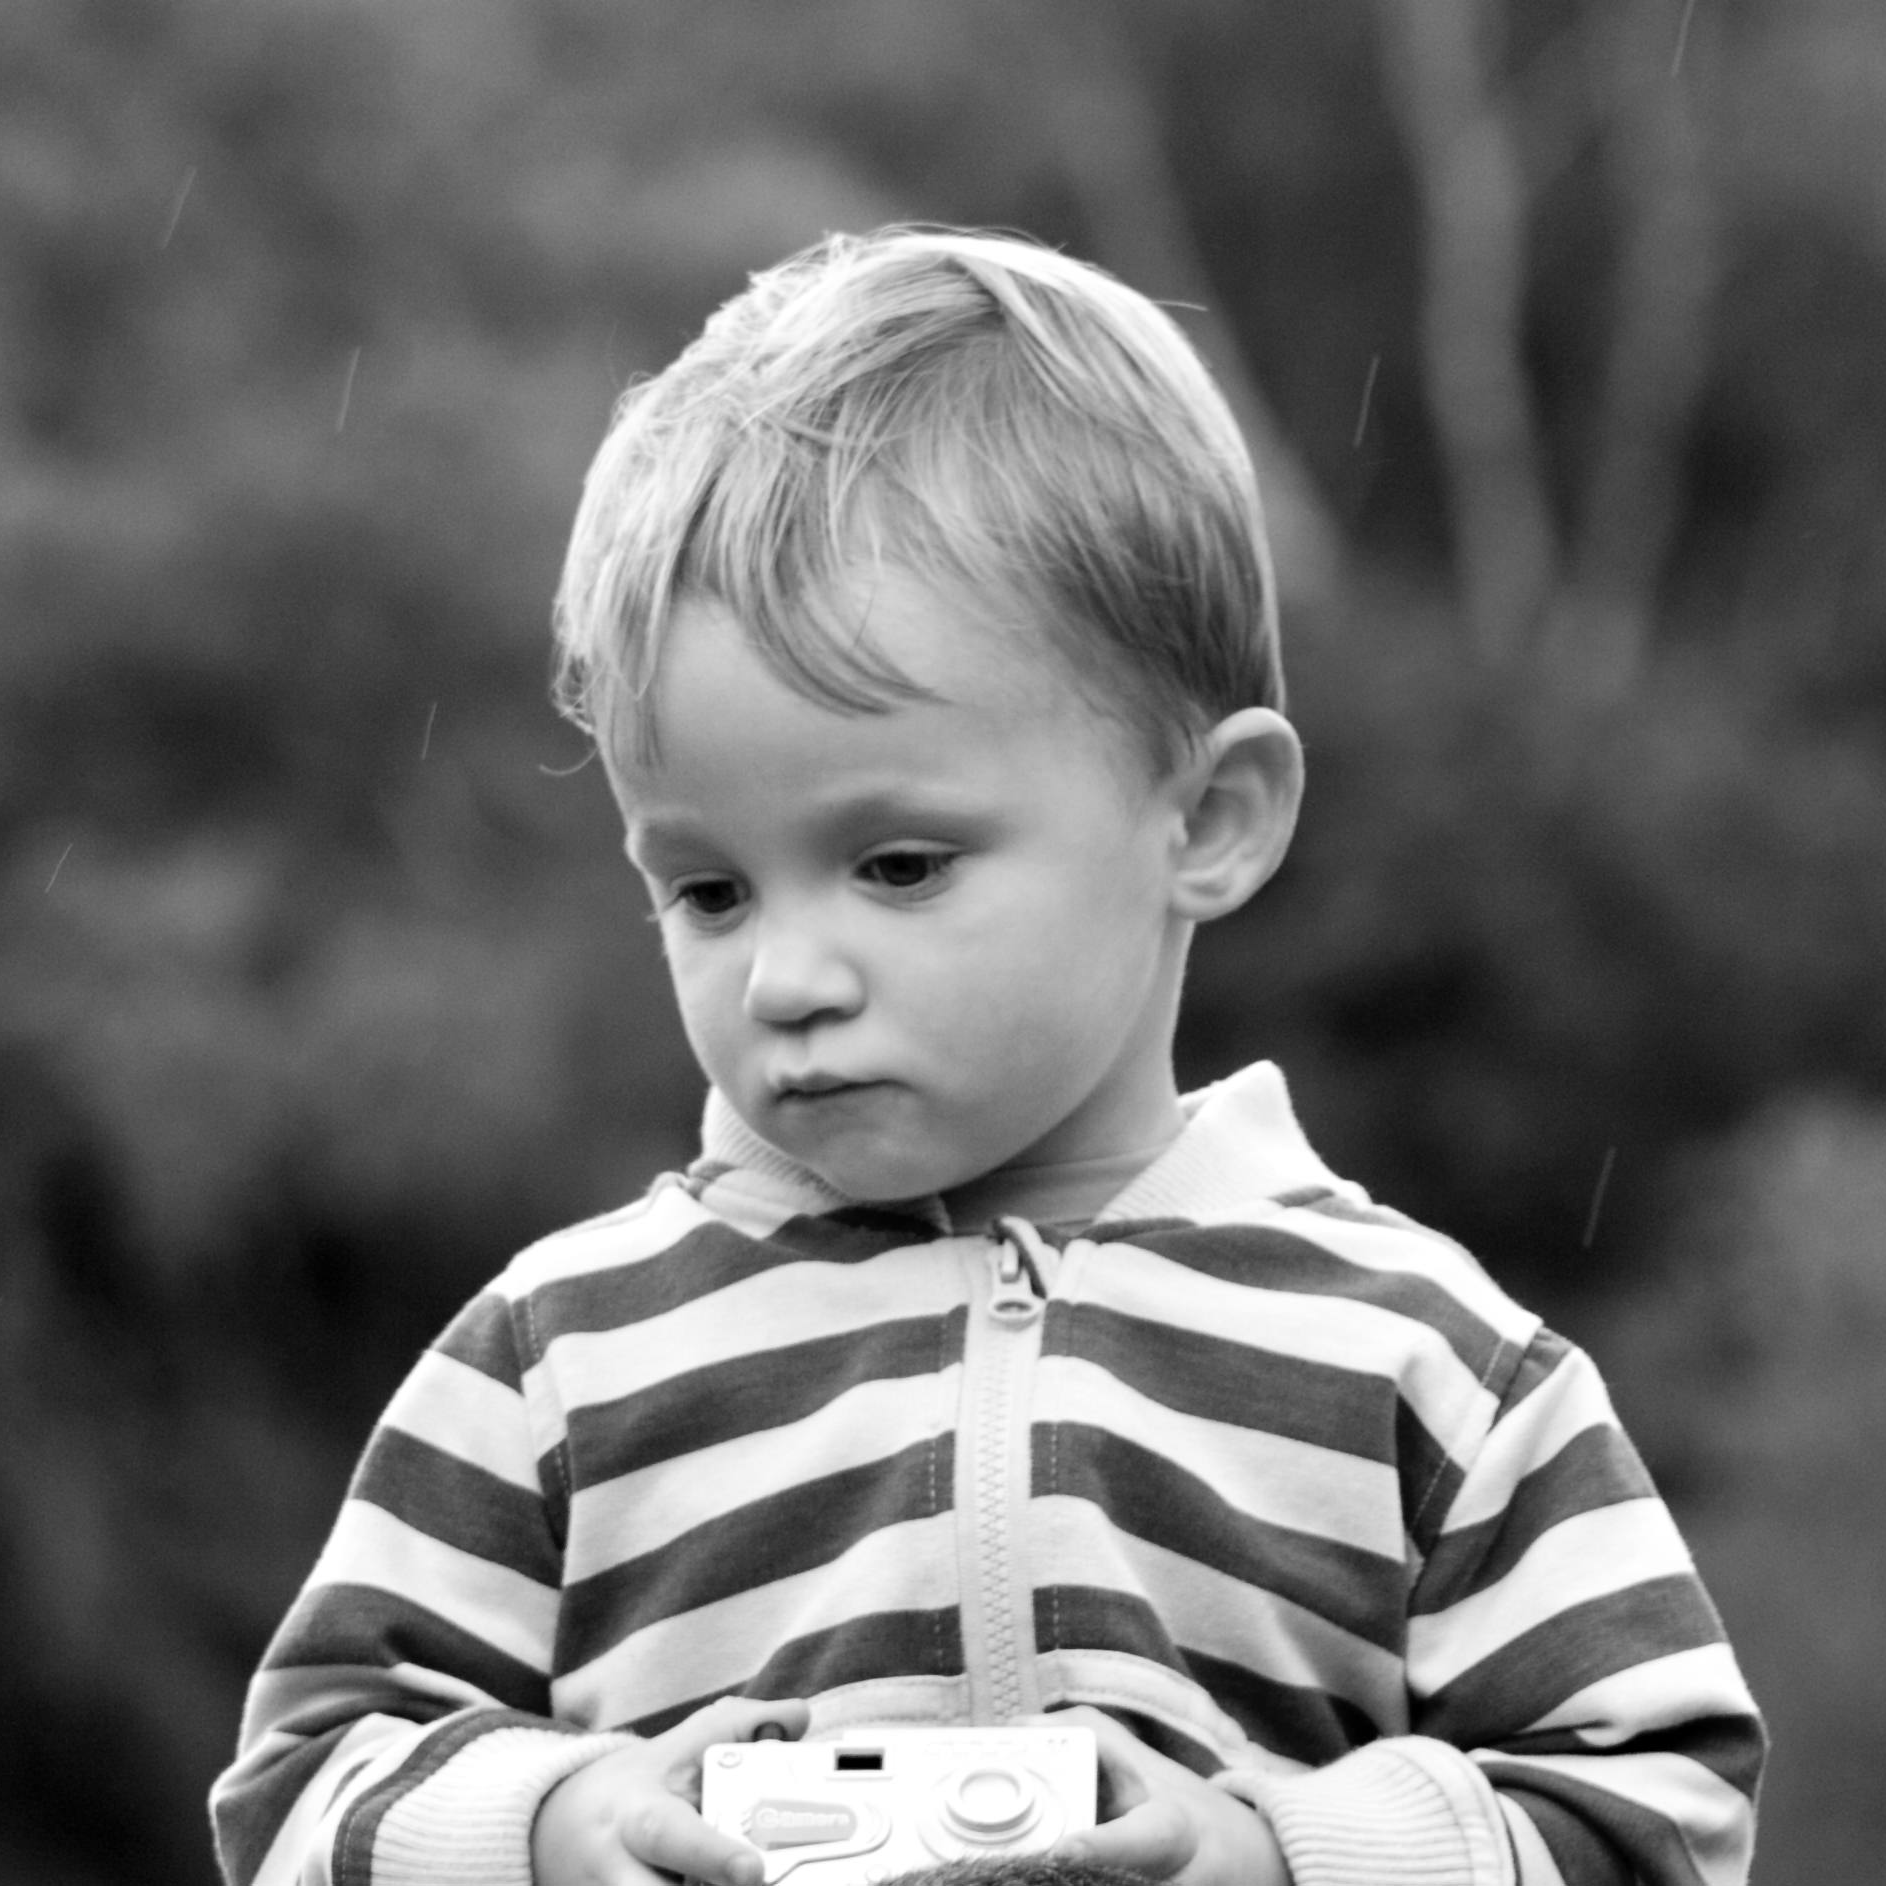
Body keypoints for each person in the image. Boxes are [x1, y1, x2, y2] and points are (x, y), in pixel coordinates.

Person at [211, 227, 1763, 1886]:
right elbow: (297, 1794)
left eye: (897, 865)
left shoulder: (1428, 1369)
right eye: (708, 889)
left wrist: (1280, 1855)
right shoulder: (556, 1366)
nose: (786, 978)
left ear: (1207, 820)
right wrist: (549, 1828)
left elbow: (1659, 1815)